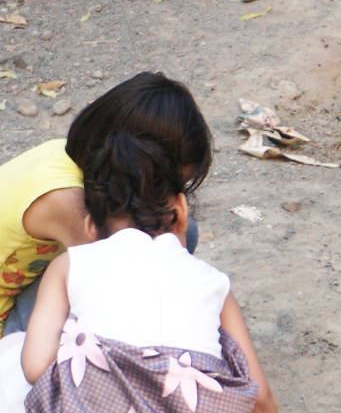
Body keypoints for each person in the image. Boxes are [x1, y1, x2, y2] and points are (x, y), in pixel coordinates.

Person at [0, 130, 332, 413]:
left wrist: (94, 366)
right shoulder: (212, 280)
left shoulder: (71, 263)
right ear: (180, 210)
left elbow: (35, 368)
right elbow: (261, 399)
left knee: (15, 357)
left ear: (91, 226)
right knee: (203, 382)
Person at [0, 71, 207, 337]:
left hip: (23, 288)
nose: (171, 196)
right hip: (5, 324)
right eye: (166, 186)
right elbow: (112, 289)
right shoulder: (68, 201)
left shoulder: (78, 159)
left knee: (176, 231)